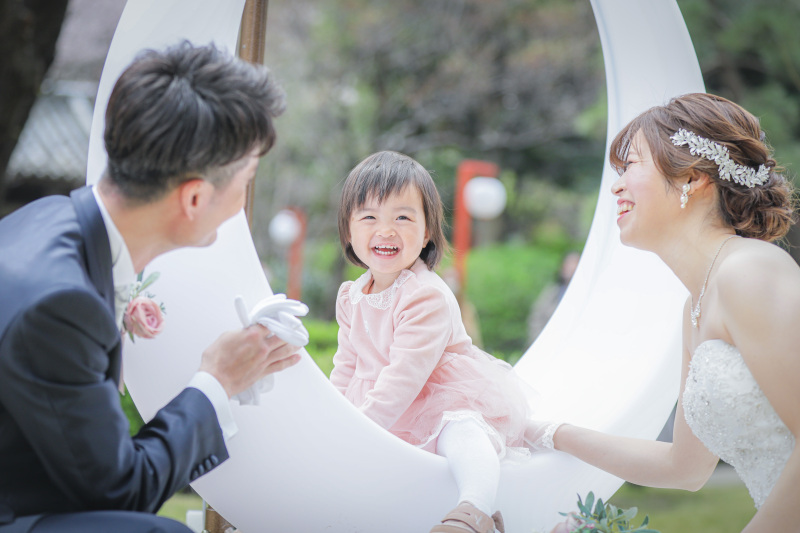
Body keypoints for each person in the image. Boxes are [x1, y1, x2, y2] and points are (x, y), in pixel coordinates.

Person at [0, 42, 302, 533]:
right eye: (247, 179)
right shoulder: (60, 304)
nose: (244, 199)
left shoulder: (50, 217)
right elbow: (122, 489)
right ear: (195, 197)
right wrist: (216, 382)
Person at [537, 93, 798, 532]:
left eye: (631, 166)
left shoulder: (749, 272)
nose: (616, 186)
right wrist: (547, 433)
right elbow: (685, 467)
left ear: (693, 179)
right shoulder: (694, 307)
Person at [330, 151, 546, 533]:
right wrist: (334, 420)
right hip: (378, 402)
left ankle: (474, 509)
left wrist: (360, 431)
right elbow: (346, 365)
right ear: (348, 231)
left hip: (437, 394)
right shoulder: (350, 296)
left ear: (427, 231)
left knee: (463, 432)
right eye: (369, 217)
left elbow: (404, 377)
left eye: (402, 217)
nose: (385, 229)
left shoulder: (424, 295)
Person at [526, 250, 580, 343]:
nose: (570, 267)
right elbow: (536, 318)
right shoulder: (552, 292)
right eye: (567, 264)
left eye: (574, 264)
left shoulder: (582, 295)